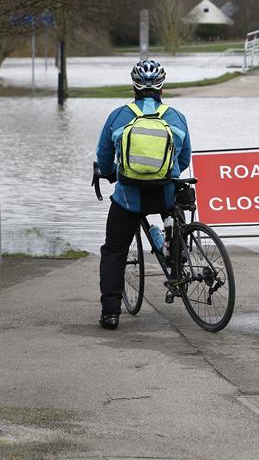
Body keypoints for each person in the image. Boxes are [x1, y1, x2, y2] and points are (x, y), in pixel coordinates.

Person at [94, 59, 191, 330]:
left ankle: (111, 313)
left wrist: (112, 172)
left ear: (133, 85)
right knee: (176, 219)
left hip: (127, 197)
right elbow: (184, 160)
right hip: (165, 194)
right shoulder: (176, 117)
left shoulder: (118, 116)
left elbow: (103, 159)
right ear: (162, 86)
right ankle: (176, 260)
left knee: (114, 250)